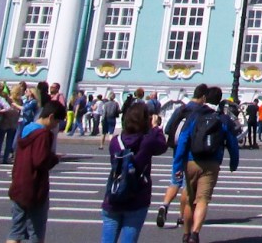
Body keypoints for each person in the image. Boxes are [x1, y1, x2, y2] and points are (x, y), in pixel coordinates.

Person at [180, 86, 241, 243]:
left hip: (192, 160)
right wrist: (234, 163)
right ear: (220, 101)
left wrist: (179, 162)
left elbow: (183, 139)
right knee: (202, 200)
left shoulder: (195, 115)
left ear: (205, 98)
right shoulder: (223, 119)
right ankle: (195, 233)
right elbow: (232, 143)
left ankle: (186, 234)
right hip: (212, 162)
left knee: (189, 200)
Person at [103, 100, 167, 243]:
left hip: (113, 195)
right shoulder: (147, 142)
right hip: (136, 198)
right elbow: (162, 145)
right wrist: (156, 128)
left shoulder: (115, 141)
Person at [7, 100, 64, 243]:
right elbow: (40, 160)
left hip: (18, 184)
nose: (55, 126)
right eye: (56, 122)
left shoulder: (27, 129)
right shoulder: (43, 134)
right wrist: (54, 159)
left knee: (15, 231)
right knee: (36, 232)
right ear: (51, 117)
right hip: (35, 188)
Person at [155, 83, 209, 231]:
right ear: (203, 97)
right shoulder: (202, 112)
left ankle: (164, 205)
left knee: (174, 181)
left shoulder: (181, 109)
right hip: (192, 154)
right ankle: (182, 216)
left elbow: (167, 128)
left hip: (178, 151)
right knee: (187, 187)